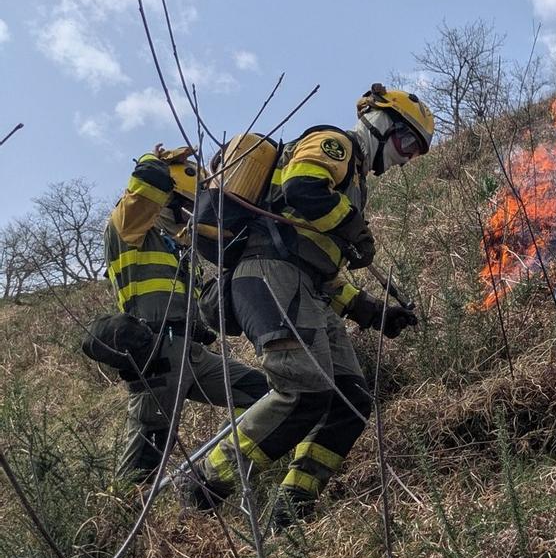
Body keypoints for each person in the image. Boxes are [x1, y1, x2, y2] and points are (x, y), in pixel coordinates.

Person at [179, 85, 433, 531]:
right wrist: (353, 226)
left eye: (415, 152)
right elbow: (301, 187)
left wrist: (374, 312)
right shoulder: (336, 143)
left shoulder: (353, 184)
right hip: (268, 277)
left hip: (302, 286)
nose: (406, 157)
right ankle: (205, 480)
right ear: (378, 122)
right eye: (406, 141)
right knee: (305, 390)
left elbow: (323, 272)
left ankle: (291, 508)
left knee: (350, 401)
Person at [102, 145, 268, 480]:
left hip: (193, 356)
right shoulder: (129, 229)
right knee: (145, 458)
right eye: (187, 207)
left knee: (265, 395)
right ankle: (121, 522)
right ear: (166, 199)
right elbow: (145, 186)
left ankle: (213, 471)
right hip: (156, 357)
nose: (193, 216)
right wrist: (154, 161)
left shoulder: (179, 249)